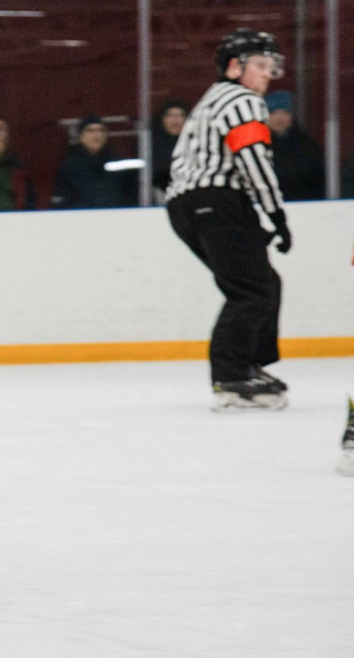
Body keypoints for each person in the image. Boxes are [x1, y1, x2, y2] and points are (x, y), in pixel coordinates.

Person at [166, 29, 290, 411]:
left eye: (272, 67)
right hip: (217, 202)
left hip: (190, 206)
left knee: (263, 282)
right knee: (250, 291)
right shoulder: (242, 100)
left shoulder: (212, 99)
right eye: (261, 65)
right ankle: (232, 376)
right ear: (235, 67)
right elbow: (253, 159)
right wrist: (275, 213)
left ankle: (248, 364)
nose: (268, 74)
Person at [51, 116, 138, 209]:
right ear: (80, 136)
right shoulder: (70, 166)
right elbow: (62, 199)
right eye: (90, 131)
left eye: (101, 130)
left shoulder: (118, 162)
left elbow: (131, 194)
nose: (96, 135)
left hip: (115, 217)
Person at [264, 91, 325, 201]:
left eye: (285, 113)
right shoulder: (257, 145)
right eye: (273, 113)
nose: (279, 119)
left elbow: (317, 181)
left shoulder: (306, 145)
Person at [150, 99, 187, 200]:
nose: (175, 120)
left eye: (180, 115)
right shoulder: (150, 147)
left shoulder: (195, 144)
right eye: (169, 115)